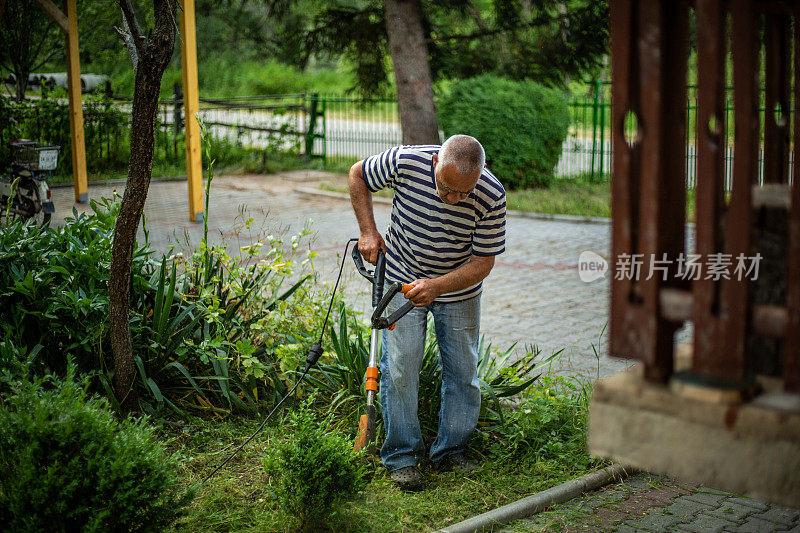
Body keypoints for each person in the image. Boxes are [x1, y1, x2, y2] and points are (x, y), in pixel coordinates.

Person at [348, 134, 506, 491]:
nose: (455, 199)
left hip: (459, 289)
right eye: (448, 188)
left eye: (464, 193)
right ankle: (402, 457)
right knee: (401, 368)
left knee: (463, 372)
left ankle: (450, 450)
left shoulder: (491, 194)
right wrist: (368, 231)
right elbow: (357, 174)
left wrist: (437, 286)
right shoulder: (406, 161)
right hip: (400, 279)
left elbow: (483, 263)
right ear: (435, 163)